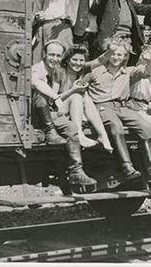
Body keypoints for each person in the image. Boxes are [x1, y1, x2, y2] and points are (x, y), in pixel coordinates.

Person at [83, 41, 151, 182]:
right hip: (101, 106)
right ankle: (127, 167)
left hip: (122, 106)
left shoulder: (128, 72)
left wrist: (150, 58)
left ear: (124, 57)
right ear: (109, 54)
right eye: (114, 54)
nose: (116, 57)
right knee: (115, 125)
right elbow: (82, 86)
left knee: (145, 125)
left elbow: (148, 71)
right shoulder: (96, 71)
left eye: (120, 55)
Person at [31, 40, 98, 192]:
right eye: (51, 55)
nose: (54, 58)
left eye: (58, 55)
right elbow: (36, 83)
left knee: (72, 127)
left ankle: (76, 171)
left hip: (52, 113)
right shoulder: (38, 69)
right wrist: (56, 97)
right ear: (44, 54)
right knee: (40, 93)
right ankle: (50, 131)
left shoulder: (55, 70)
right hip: (36, 116)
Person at [55, 44, 114, 153]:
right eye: (74, 59)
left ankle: (103, 135)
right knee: (77, 95)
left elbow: (100, 60)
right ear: (67, 60)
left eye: (81, 60)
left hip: (76, 109)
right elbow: (54, 99)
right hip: (59, 109)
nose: (78, 63)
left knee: (86, 97)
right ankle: (80, 135)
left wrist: (111, 50)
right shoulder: (59, 72)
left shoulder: (82, 70)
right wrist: (73, 90)